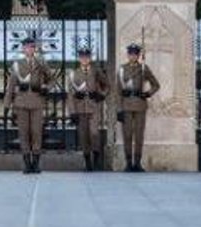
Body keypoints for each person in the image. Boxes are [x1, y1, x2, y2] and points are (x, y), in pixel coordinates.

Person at [4, 36, 55, 174]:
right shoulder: (17, 64)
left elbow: (52, 80)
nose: (29, 49)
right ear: (23, 48)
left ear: (35, 48)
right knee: (23, 133)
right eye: (26, 47)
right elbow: (11, 86)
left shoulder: (41, 62)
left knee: (37, 132)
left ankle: (36, 163)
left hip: (37, 101)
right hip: (21, 102)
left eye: (32, 47)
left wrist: (46, 88)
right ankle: (27, 164)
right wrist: (6, 105)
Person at [117, 43, 160, 172]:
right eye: (130, 54)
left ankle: (138, 163)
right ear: (128, 54)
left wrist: (147, 93)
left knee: (139, 135)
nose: (133, 56)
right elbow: (118, 91)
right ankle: (128, 163)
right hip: (126, 105)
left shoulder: (143, 68)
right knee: (127, 135)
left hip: (140, 104)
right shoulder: (121, 69)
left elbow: (156, 85)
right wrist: (119, 108)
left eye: (135, 54)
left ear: (138, 55)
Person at [67, 47, 109, 171]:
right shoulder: (74, 73)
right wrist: (72, 112)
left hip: (94, 106)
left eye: (86, 56)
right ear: (79, 58)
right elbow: (70, 94)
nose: (84, 59)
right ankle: (88, 162)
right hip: (80, 108)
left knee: (94, 133)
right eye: (82, 56)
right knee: (83, 135)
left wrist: (102, 95)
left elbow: (107, 85)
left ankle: (96, 159)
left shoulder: (96, 71)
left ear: (90, 58)